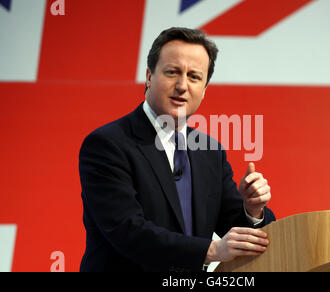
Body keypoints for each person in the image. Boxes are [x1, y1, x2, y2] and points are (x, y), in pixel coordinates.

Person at [79, 27, 275, 272]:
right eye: (172, 72)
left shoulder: (210, 152)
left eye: (194, 77)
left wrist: (252, 209)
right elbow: (128, 231)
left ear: (204, 90)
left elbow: (236, 229)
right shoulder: (107, 145)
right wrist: (211, 250)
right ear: (149, 76)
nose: (182, 85)